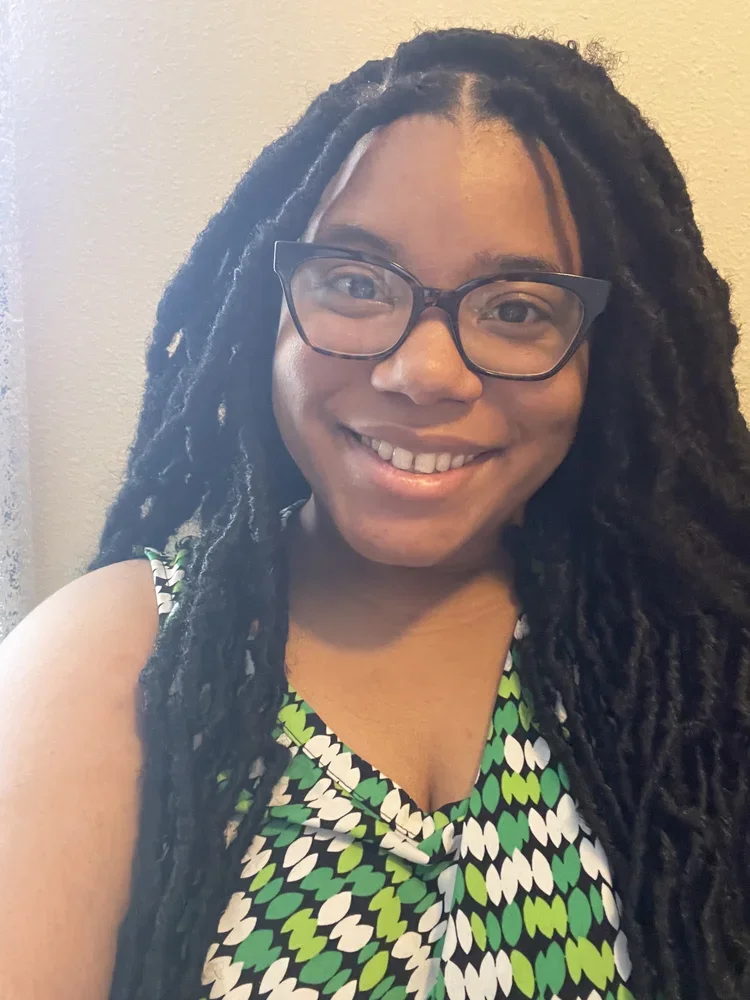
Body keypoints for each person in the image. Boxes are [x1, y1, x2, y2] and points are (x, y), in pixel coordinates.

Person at [1, 25, 748, 1000]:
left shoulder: (694, 673)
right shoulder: (107, 662)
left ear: (606, 357)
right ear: (265, 312)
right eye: (355, 283)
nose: (423, 373)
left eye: (517, 308)